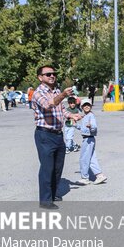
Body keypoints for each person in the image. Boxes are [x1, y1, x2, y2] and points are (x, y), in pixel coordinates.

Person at [32, 65, 82, 209]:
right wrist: (63, 95)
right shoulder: (38, 93)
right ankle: (45, 200)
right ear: (40, 77)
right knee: (47, 168)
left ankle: (53, 194)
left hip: (58, 134)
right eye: (48, 74)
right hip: (45, 135)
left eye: (53, 74)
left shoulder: (56, 90)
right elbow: (49, 105)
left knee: (57, 167)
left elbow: (61, 110)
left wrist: (72, 115)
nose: (52, 76)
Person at [75, 100, 107, 185]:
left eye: (88, 105)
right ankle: (100, 175)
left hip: (88, 139)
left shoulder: (90, 116)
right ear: (82, 107)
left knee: (84, 159)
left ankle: (85, 178)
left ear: (91, 106)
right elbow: (83, 128)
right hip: (88, 139)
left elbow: (94, 126)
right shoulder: (85, 116)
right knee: (91, 158)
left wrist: (91, 126)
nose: (86, 106)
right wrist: (74, 125)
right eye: (84, 105)